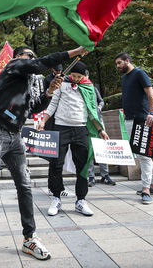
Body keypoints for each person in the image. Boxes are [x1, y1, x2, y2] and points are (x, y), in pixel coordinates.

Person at [0, 45, 88, 268]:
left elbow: (34, 107)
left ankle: (29, 238)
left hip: (15, 136)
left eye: (32, 56)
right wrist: (76, 51)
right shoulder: (14, 66)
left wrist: (50, 91)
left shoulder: (31, 82)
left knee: (25, 185)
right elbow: (37, 64)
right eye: (27, 55)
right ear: (18, 58)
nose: (30, 59)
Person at [39, 61, 109, 217]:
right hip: (61, 127)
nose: (76, 79)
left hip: (81, 128)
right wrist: (43, 121)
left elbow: (92, 111)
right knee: (57, 164)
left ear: (84, 76)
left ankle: (81, 200)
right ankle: (56, 197)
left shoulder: (89, 87)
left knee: (83, 166)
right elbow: (53, 104)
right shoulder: (62, 83)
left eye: (79, 76)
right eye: (74, 76)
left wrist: (100, 130)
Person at [115, 52, 153, 205]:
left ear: (128, 61)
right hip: (129, 119)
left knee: (145, 155)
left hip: (142, 119)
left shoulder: (140, 73)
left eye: (120, 63)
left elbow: (151, 94)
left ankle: (146, 189)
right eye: (117, 64)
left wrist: (151, 113)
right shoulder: (124, 78)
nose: (118, 66)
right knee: (142, 155)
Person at [88, 78, 115, 186]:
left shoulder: (94, 89)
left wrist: (99, 107)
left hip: (98, 121)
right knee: (90, 150)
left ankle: (105, 175)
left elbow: (101, 101)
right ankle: (91, 176)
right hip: (86, 123)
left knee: (102, 148)